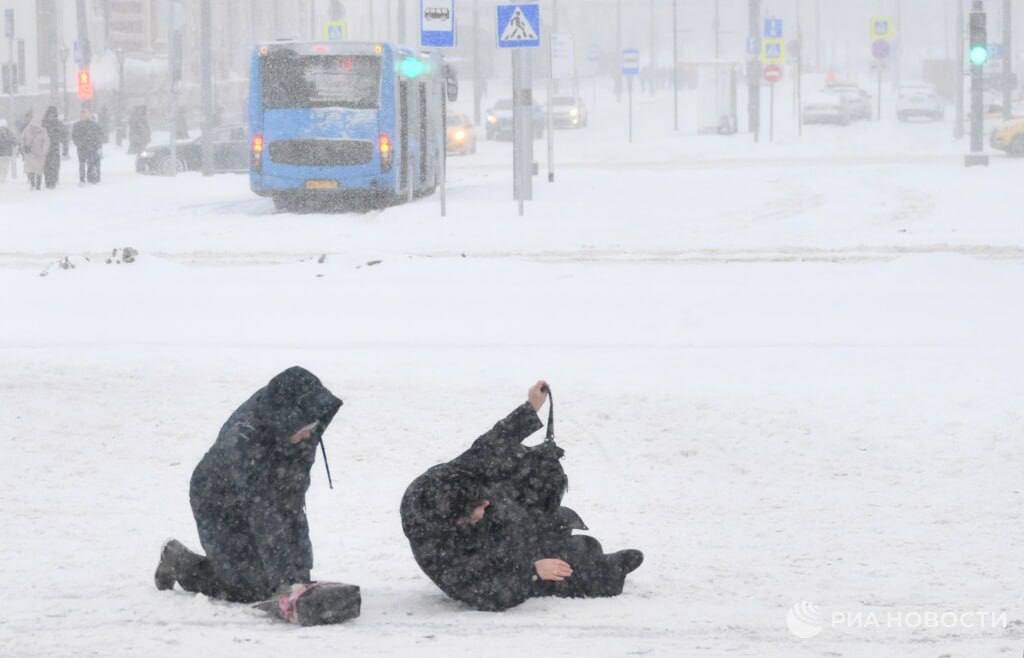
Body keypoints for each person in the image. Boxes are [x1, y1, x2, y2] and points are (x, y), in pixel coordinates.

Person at [400, 381, 644, 612]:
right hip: (480, 558)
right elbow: (480, 592)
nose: (485, 505)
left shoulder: (451, 478)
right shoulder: (435, 548)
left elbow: (492, 444)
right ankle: (603, 575)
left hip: (493, 528)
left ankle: (553, 538)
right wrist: (532, 572)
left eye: (482, 500)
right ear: (457, 518)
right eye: (478, 507)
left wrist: (531, 406)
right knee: (523, 571)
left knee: (545, 521)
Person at [154, 366, 343, 603]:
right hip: (217, 501)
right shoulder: (244, 439)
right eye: (304, 430)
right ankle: (179, 561)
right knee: (248, 589)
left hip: (256, 498)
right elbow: (264, 513)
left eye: (312, 428)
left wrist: (300, 576)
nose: (308, 436)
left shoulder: (297, 434)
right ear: (288, 420)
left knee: (271, 578)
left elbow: (292, 503)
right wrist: (285, 584)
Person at [72, 108, 104, 184]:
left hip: (91, 147)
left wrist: (97, 144)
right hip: (83, 147)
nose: (84, 116)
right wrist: (78, 143)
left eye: (85, 114)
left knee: (90, 163)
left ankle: (91, 178)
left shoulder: (94, 125)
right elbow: (74, 136)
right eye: (82, 114)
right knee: (83, 163)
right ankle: (83, 179)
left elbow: (100, 135)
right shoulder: (77, 125)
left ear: (89, 115)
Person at [20, 114, 50, 191]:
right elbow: (22, 139)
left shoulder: (43, 131)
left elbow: (46, 141)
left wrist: (44, 151)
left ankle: (38, 185)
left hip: (39, 154)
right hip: (29, 153)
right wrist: (23, 147)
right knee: (31, 169)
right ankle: (32, 184)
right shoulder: (26, 130)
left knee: (39, 170)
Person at [40, 106, 67, 189]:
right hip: (45, 147)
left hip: (55, 147)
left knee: (54, 165)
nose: (51, 116)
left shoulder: (58, 124)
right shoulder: (44, 123)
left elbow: (64, 135)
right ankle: (48, 181)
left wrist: (65, 148)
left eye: (53, 114)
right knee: (47, 165)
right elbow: (40, 136)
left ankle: (53, 181)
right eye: (50, 114)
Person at [0, 119, 15, 184]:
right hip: (3, 153)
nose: (2, 129)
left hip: (7, 153)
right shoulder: (9, 133)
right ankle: (2, 177)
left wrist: (8, 139)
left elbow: (14, 140)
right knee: (2, 166)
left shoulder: (10, 133)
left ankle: (3, 177)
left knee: (5, 166)